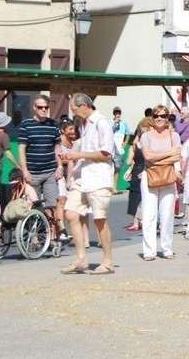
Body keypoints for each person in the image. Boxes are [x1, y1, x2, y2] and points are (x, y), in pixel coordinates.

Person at [62, 94, 116, 275]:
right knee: (70, 212)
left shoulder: (101, 122)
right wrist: (73, 158)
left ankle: (107, 261)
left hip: (99, 176)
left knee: (99, 219)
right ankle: (81, 259)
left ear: (84, 106)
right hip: (82, 176)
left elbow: (106, 153)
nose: (74, 114)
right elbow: (83, 151)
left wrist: (78, 155)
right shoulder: (83, 124)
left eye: (75, 110)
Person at [140, 105, 182, 261]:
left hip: (168, 176)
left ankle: (167, 248)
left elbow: (177, 156)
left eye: (163, 116)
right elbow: (147, 157)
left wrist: (157, 157)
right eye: (156, 115)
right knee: (149, 214)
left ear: (168, 118)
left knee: (167, 214)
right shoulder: (146, 136)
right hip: (149, 176)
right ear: (152, 117)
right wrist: (168, 154)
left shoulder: (174, 136)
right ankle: (149, 251)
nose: (159, 118)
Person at [17, 95, 61, 240]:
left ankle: (53, 236)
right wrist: (24, 170)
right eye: (40, 107)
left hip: (49, 172)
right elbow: (21, 149)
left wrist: (60, 166)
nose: (43, 110)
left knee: (52, 205)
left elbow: (57, 147)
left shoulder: (53, 124)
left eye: (46, 107)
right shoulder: (26, 124)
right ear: (34, 108)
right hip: (32, 173)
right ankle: (34, 237)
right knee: (33, 207)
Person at [124, 117, 152, 231]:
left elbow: (128, 160)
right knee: (139, 196)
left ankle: (138, 222)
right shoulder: (139, 142)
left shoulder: (137, 142)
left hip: (141, 169)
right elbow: (129, 160)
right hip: (142, 169)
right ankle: (138, 221)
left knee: (138, 196)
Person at [53, 119, 78, 244]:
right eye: (71, 129)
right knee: (61, 201)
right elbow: (59, 159)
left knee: (70, 204)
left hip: (71, 177)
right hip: (60, 176)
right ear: (63, 131)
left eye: (74, 129)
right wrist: (68, 160)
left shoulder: (73, 144)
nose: (74, 132)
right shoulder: (59, 143)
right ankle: (61, 230)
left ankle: (66, 230)